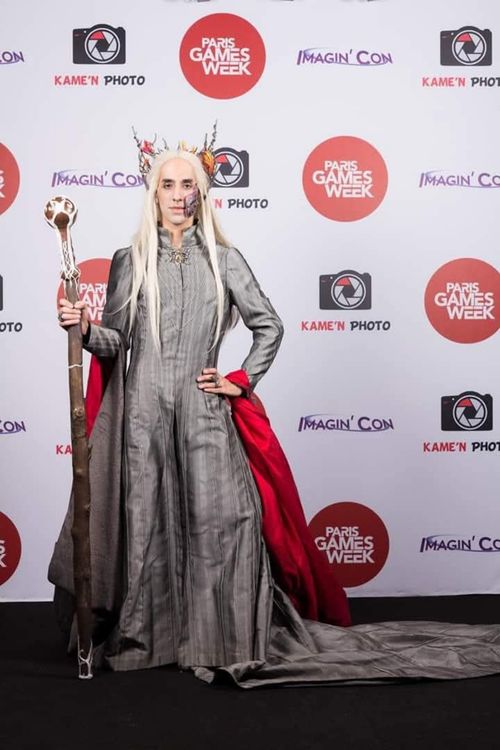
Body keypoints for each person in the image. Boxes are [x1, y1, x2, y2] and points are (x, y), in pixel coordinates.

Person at [50, 136, 500, 687]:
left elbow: (270, 325)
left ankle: (219, 641)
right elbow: (116, 340)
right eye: (167, 184)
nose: (178, 194)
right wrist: (84, 327)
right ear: (154, 192)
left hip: (203, 414)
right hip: (141, 420)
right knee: (143, 529)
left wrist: (239, 381)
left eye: (188, 184)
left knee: (223, 526)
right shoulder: (130, 260)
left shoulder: (226, 260)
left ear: (202, 192)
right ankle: (146, 643)